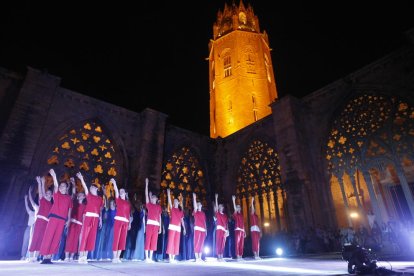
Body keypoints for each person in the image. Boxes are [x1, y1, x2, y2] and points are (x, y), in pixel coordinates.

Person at [39, 169, 73, 264]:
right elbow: (56, 186)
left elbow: (69, 209)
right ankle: (45, 256)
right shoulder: (56, 194)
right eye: (61, 186)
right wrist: (54, 176)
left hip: (62, 220)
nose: (62, 187)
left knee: (56, 238)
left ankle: (49, 257)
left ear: (66, 188)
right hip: (54, 217)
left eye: (64, 186)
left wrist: (69, 219)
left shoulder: (69, 198)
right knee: (48, 236)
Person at [76, 172, 103, 264]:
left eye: (92, 187)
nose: (90, 188)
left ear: (96, 189)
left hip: (96, 218)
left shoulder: (100, 199)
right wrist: (81, 179)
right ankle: (81, 255)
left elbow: (100, 209)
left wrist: (100, 220)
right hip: (88, 217)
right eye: (90, 187)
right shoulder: (89, 196)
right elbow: (85, 187)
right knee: (84, 235)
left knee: (91, 236)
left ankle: (85, 256)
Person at [28, 176, 53, 262]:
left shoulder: (52, 205)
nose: (48, 195)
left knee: (41, 239)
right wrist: (41, 183)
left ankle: (36, 256)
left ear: (52, 195)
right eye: (47, 194)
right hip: (39, 221)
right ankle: (31, 256)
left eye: (50, 194)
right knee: (35, 237)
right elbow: (41, 192)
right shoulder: (42, 200)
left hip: (46, 222)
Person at [64, 179, 86, 262]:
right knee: (69, 239)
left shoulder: (84, 206)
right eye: (78, 195)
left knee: (76, 240)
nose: (79, 196)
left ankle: (72, 256)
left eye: (81, 195)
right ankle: (67, 256)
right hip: (72, 223)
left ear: (84, 197)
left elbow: (84, 217)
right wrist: (73, 184)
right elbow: (73, 193)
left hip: (79, 224)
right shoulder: (74, 203)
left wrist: (83, 226)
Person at [111, 178, 132, 263]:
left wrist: (129, 223)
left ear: (125, 193)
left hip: (126, 222)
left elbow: (128, 214)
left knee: (122, 239)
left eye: (122, 191)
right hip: (118, 221)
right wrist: (115, 183)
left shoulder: (128, 203)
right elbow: (116, 191)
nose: (120, 192)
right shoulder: (118, 200)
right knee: (116, 238)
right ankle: (114, 257)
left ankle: (118, 257)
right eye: (120, 191)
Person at [165, 189, 186, 263]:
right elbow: (169, 202)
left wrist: (184, 228)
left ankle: (173, 257)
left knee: (176, 242)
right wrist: (168, 194)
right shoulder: (172, 209)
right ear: (174, 203)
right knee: (171, 241)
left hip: (178, 228)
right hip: (172, 227)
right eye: (175, 201)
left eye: (177, 201)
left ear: (178, 202)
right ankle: (170, 257)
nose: (176, 202)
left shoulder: (181, 211)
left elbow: (182, 220)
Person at [144, 177, 162, 262]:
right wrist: (147, 185)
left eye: (155, 198)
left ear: (156, 199)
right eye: (152, 198)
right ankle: (146, 257)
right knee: (148, 239)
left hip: (156, 225)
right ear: (151, 199)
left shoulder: (159, 207)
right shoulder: (149, 205)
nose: (154, 199)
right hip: (150, 224)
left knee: (154, 241)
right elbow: (146, 195)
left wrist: (160, 227)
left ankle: (150, 257)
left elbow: (159, 217)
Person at [21, 190, 36, 260]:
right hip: (29, 227)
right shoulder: (31, 212)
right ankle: (23, 256)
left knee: (32, 242)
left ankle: (30, 256)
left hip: (35, 228)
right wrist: (25, 199)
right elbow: (27, 206)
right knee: (25, 241)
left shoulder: (38, 212)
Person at [192, 192, 207, 262]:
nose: (198, 206)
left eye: (199, 205)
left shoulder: (203, 213)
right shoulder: (195, 212)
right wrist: (194, 199)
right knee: (196, 242)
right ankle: (196, 257)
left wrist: (206, 230)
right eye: (197, 205)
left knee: (201, 243)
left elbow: (204, 222)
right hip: (197, 228)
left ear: (201, 205)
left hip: (203, 229)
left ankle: (200, 257)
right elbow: (194, 207)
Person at [214, 193, 228, 262]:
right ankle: (218, 256)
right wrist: (216, 199)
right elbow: (216, 207)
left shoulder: (225, 215)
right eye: (219, 207)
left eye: (221, 207)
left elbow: (226, 223)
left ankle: (221, 255)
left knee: (223, 243)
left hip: (224, 230)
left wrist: (227, 231)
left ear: (223, 208)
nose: (220, 207)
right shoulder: (217, 214)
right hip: (219, 229)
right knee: (218, 242)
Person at [231, 195, 245, 261]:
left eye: (239, 207)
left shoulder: (242, 215)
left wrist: (244, 231)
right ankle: (238, 256)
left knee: (241, 243)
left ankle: (241, 255)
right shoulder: (236, 214)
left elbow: (243, 224)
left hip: (242, 230)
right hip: (237, 230)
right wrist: (234, 200)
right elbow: (234, 209)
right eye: (237, 207)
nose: (238, 208)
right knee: (237, 243)